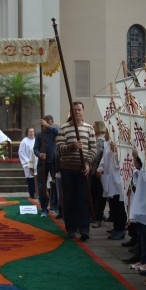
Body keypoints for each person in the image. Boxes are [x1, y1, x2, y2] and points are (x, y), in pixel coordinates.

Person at [56, 101, 97, 241]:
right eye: (75, 110)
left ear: (83, 111)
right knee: (69, 200)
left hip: (83, 170)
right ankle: (70, 228)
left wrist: (87, 163)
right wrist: (73, 146)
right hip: (67, 169)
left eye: (79, 109)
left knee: (83, 200)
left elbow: (93, 149)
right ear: (71, 112)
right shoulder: (63, 129)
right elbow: (60, 148)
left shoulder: (89, 129)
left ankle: (84, 229)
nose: (77, 112)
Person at [33, 114, 59, 217]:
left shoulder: (54, 132)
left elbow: (58, 131)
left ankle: (56, 207)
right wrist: (39, 154)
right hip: (42, 163)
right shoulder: (39, 134)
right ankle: (44, 208)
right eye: (44, 124)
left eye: (48, 124)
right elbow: (35, 149)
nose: (45, 126)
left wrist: (48, 126)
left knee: (55, 185)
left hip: (53, 162)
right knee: (42, 186)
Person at [18, 126, 37, 199]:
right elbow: (21, 153)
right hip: (28, 163)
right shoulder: (24, 141)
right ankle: (32, 194)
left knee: (36, 179)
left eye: (33, 131)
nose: (32, 133)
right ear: (27, 133)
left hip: (36, 163)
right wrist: (28, 163)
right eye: (30, 132)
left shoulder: (36, 140)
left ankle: (36, 193)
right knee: (30, 179)